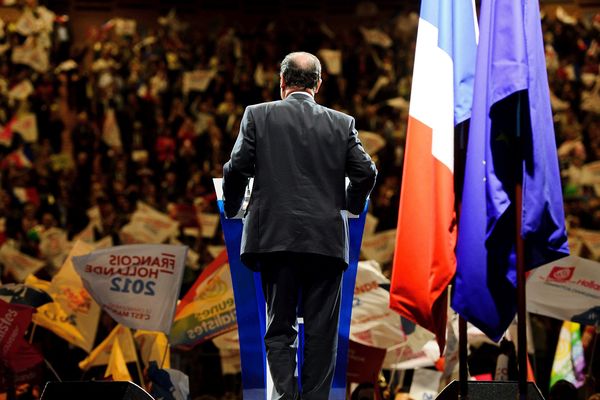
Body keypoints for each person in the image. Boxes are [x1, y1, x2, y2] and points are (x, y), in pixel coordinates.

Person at [222, 51, 377, 400]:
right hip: (326, 243)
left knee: (280, 328)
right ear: (319, 84)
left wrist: (234, 209)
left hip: (275, 242)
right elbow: (367, 172)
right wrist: (349, 208)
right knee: (322, 334)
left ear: (281, 83)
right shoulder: (342, 123)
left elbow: (235, 169)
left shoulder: (258, 116)